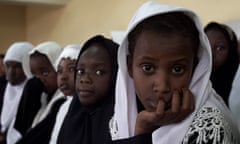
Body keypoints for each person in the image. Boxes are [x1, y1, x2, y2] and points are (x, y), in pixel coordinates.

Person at [109, 1, 240, 144]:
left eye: (177, 69)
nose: (162, 87)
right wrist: (143, 129)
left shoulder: (210, 128)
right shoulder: (120, 118)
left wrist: (140, 136)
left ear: (194, 68)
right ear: (129, 67)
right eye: (148, 68)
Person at [57, 35, 119, 144]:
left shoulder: (123, 121)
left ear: (116, 74)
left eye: (99, 72)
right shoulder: (73, 117)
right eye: (80, 71)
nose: (85, 79)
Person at [6, 41, 63, 144]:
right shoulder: (43, 98)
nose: (39, 80)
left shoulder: (62, 101)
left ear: (59, 69)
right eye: (33, 75)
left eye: (45, 73)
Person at [0, 42, 33, 144]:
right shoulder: (3, 88)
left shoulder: (34, 92)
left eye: (17, 67)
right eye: (8, 66)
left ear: (28, 67)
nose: (11, 72)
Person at [49, 44, 81, 144]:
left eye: (71, 69)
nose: (63, 77)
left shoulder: (88, 109)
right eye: (60, 71)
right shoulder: (63, 107)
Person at [204, 22, 239, 106]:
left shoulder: (237, 82)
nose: (211, 54)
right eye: (206, 46)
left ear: (231, 50)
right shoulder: (196, 80)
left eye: (219, 48)